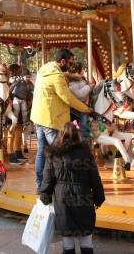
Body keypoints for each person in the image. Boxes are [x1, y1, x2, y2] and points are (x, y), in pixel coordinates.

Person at [31, 49, 91, 190]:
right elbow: (67, 97)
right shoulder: (57, 77)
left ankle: (41, 184)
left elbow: (63, 74)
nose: (70, 66)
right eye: (69, 63)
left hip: (38, 117)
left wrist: (74, 77)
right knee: (61, 152)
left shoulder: (45, 68)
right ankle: (67, 183)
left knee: (42, 151)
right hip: (51, 119)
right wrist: (86, 109)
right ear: (62, 62)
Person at [39, 122, 104, 254]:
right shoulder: (86, 154)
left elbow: (47, 178)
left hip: (63, 201)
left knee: (67, 243)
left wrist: (45, 195)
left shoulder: (53, 154)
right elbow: (94, 178)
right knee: (86, 241)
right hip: (83, 199)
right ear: (77, 136)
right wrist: (99, 197)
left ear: (60, 135)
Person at [67, 61, 94, 141]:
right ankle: (84, 134)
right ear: (78, 71)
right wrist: (89, 87)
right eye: (82, 70)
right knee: (84, 112)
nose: (83, 71)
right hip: (74, 105)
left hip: (81, 103)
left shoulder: (81, 80)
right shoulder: (72, 81)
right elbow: (79, 94)